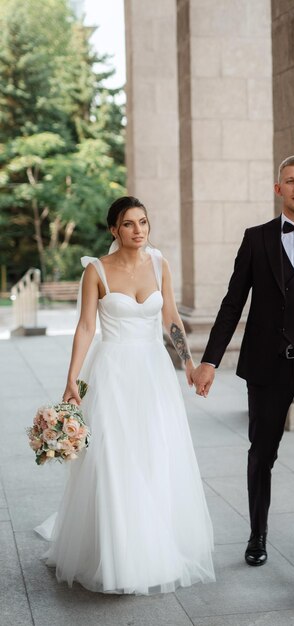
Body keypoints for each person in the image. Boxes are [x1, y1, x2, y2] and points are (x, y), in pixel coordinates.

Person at [192, 155, 294, 597]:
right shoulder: (256, 239)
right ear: (277, 189)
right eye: (290, 181)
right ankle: (257, 536)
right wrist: (209, 360)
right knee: (261, 453)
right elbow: (232, 303)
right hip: (267, 369)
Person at [35, 196, 215, 594]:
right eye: (129, 224)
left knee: (153, 453)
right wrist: (71, 380)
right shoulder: (96, 271)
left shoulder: (160, 264)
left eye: (144, 222)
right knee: (115, 457)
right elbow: (85, 327)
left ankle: (154, 543)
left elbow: (170, 317)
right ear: (114, 230)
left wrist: (187, 362)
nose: (139, 230)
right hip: (113, 371)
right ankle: (116, 552)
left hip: (153, 373)